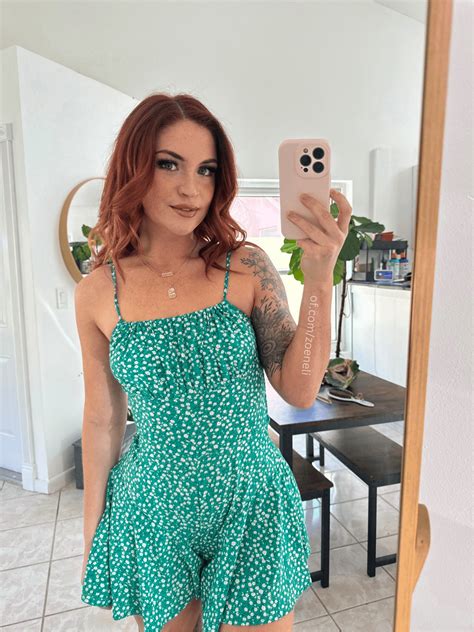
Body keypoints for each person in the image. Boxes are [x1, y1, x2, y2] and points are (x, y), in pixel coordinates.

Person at [75, 92, 351, 632]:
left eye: (206, 169)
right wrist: (93, 532)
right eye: (168, 164)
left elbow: (299, 390)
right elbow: (101, 419)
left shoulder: (246, 267)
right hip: (153, 508)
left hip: (252, 502)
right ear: (133, 168)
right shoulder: (98, 292)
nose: (191, 188)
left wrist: (319, 280)